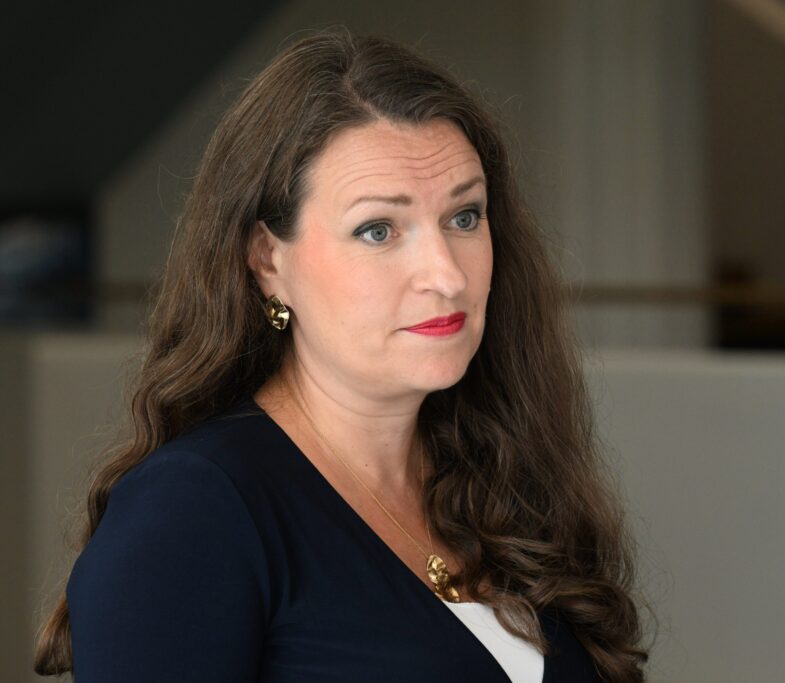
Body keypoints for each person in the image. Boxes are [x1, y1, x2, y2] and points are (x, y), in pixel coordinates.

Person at [34, 29, 648, 682]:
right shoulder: (192, 510)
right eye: (378, 229)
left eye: (465, 217)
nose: (446, 274)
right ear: (268, 260)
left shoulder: (497, 476)